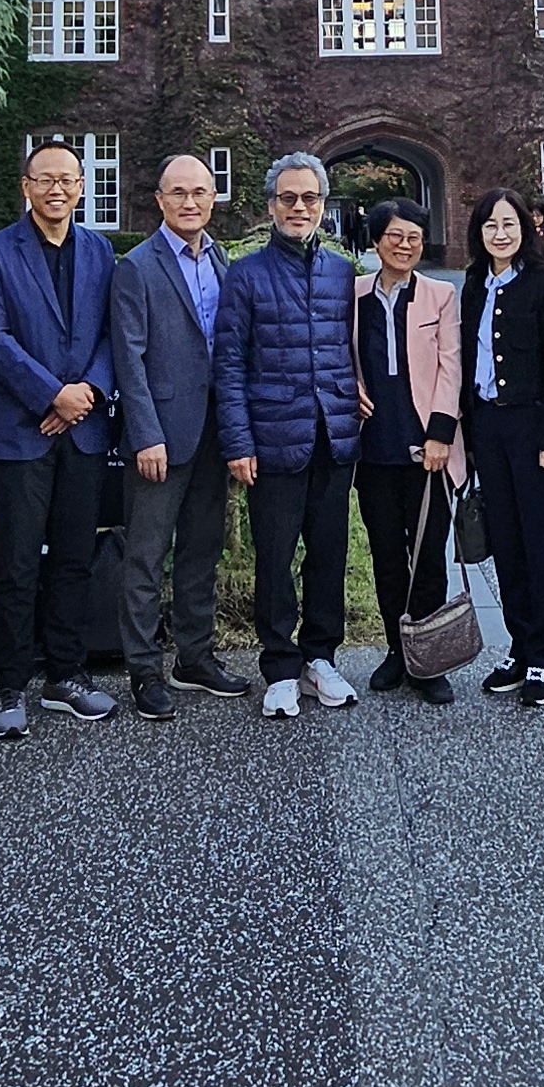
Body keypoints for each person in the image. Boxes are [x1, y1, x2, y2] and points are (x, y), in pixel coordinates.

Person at [0, 143, 123, 737]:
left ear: (81, 187)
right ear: (25, 186)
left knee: (75, 559)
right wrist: (51, 395)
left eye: (67, 179)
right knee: (16, 564)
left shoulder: (100, 250)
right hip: (21, 432)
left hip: (84, 431)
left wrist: (86, 393)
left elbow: (112, 332)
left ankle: (66, 675)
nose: (57, 189)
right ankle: (9, 686)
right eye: (45, 179)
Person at [213, 151, 361, 720]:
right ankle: (279, 665)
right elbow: (229, 363)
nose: (300, 207)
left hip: (334, 435)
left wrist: (356, 390)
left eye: (310, 198)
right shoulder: (246, 273)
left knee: (328, 553)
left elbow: (351, 346)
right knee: (275, 558)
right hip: (272, 437)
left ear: (323, 205)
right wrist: (238, 442)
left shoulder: (342, 272)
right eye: (288, 198)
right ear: (272, 205)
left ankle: (320, 657)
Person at [108, 153, 256, 719]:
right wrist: (145, 434)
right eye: (178, 193)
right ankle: (145, 670)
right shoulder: (137, 266)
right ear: (160, 200)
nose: (189, 202)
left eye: (199, 192)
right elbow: (128, 359)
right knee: (146, 556)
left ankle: (195, 657)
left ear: (213, 198)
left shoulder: (220, 258)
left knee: (202, 550)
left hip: (214, 431)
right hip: (160, 438)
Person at [455, 185, 544, 706]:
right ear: (479, 233)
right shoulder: (474, 284)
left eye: (509, 224)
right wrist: (467, 435)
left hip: (534, 430)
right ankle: (519, 646)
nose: (500, 234)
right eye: (490, 225)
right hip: (488, 427)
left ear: (525, 229)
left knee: (540, 544)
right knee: (505, 542)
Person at [350, 199, 464, 703]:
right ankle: (398, 650)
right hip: (374, 445)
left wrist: (441, 434)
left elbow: (451, 367)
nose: (405, 245)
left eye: (414, 237)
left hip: (426, 448)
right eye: (395, 236)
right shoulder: (354, 294)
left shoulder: (440, 294)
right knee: (387, 556)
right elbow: (339, 352)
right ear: (376, 242)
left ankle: (428, 660)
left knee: (428, 556)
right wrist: (349, 388)